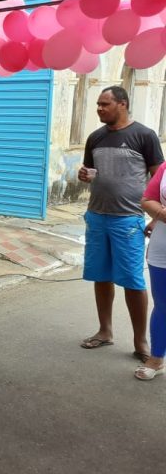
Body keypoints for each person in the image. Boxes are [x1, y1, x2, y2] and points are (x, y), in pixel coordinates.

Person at [78, 85, 163, 361]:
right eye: (98, 104)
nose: (99, 109)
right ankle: (105, 331)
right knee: (101, 275)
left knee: (133, 280)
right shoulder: (95, 137)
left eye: (105, 104)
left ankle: (141, 342)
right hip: (96, 216)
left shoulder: (144, 136)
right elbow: (89, 171)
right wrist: (84, 175)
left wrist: (156, 217)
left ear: (122, 104)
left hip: (127, 220)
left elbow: (159, 181)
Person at [138, 161, 166, 379]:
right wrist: (160, 215)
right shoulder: (165, 168)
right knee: (163, 305)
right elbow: (147, 200)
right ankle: (156, 358)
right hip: (162, 248)